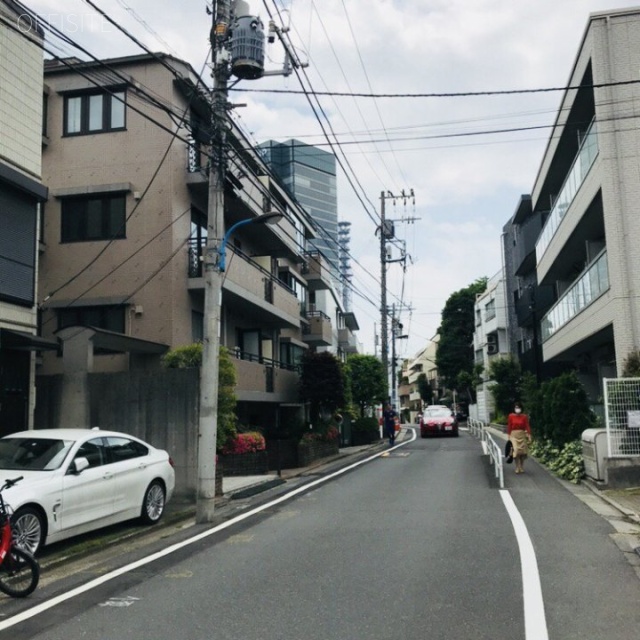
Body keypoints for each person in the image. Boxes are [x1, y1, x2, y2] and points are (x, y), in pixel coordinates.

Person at [507, 402, 532, 474]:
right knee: (516, 451)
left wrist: (529, 435)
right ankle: (517, 467)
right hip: (514, 435)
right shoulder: (511, 416)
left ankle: (521, 466)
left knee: (522, 452)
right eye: (516, 408)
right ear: (514, 408)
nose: (517, 409)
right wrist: (508, 436)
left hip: (522, 434)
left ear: (521, 408)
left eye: (518, 408)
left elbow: (527, 426)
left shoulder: (524, 416)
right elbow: (509, 426)